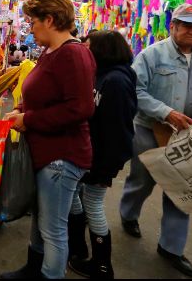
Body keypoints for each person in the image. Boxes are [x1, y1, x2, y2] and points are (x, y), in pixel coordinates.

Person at [119, 4, 192, 278]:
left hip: (190, 136)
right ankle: (128, 213)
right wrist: (166, 112)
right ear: (174, 26)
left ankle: (171, 247)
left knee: (182, 190)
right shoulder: (152, 55)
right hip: (150, 131)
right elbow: (135, 90)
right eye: (188, 25)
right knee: (142, 181)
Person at [1, 0, 96, 280]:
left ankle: (50, 274)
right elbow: (44, 94)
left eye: (33, 22)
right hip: (45, 152)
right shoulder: (51, 52)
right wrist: (20, 108)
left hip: (62, 156)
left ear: (50, 19)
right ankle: (34, 269)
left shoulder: (73, 54)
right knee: (41, 219)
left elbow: (79, 108)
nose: (30, 28)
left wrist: (28, 120)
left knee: (53, 228)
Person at [68, 31, 138, 279]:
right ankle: (77, 247)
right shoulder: (101, 75)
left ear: (104, 50)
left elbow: (118, 129)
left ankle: (101, 266)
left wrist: (107, 165)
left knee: (94, 205)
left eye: (90, 47)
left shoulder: (117, 81)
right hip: (90, 154)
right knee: (77, 198)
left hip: (103, 158)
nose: (86, 51)